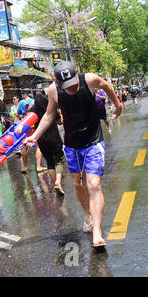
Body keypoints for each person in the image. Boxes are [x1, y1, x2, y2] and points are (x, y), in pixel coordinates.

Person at [26, 61, 122, 250]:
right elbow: (48, 115)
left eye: (74, 83)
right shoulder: (53, 91)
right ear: (58, 83)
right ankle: (87, 214)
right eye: (67, 86)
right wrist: (34, 136)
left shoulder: (91, 80)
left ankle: (97, 232)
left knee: (94, 184)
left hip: (94, 140)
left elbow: (107, 86)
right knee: (77, 184)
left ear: (77, 74)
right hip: (71, 144)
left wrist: (117, 105)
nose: (73, 88)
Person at [28, 92, 66, 196]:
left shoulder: (31, 111)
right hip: (54, 138)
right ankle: (58, 181)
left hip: (41, 140)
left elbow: (29, 124)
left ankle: (55, 184)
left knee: (49, 162)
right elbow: (59, 122)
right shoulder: (49, 108)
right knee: (59, 160)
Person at [17, 93, 36, 173]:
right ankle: (39, 165)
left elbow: (17, 114)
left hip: (24, 125)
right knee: (38, 145)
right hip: (34, 124)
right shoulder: (35, 101)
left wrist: (20, 118)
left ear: (24, 94)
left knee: (23, 145)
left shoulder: (21, 102)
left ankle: (25, 167)